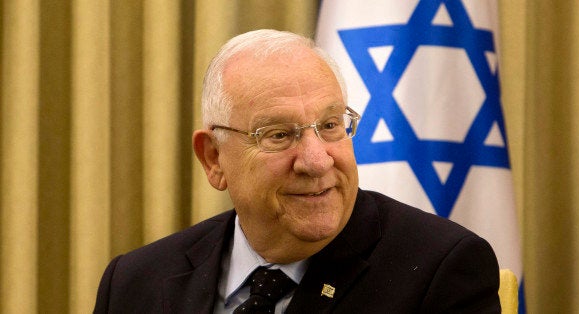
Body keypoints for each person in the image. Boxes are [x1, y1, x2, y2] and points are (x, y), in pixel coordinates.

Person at [94, 29, 500, 313]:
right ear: (214, 159)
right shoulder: (135, 282)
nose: (317, 160)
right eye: (279, 134)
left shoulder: (440, 271)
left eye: (329, 126)